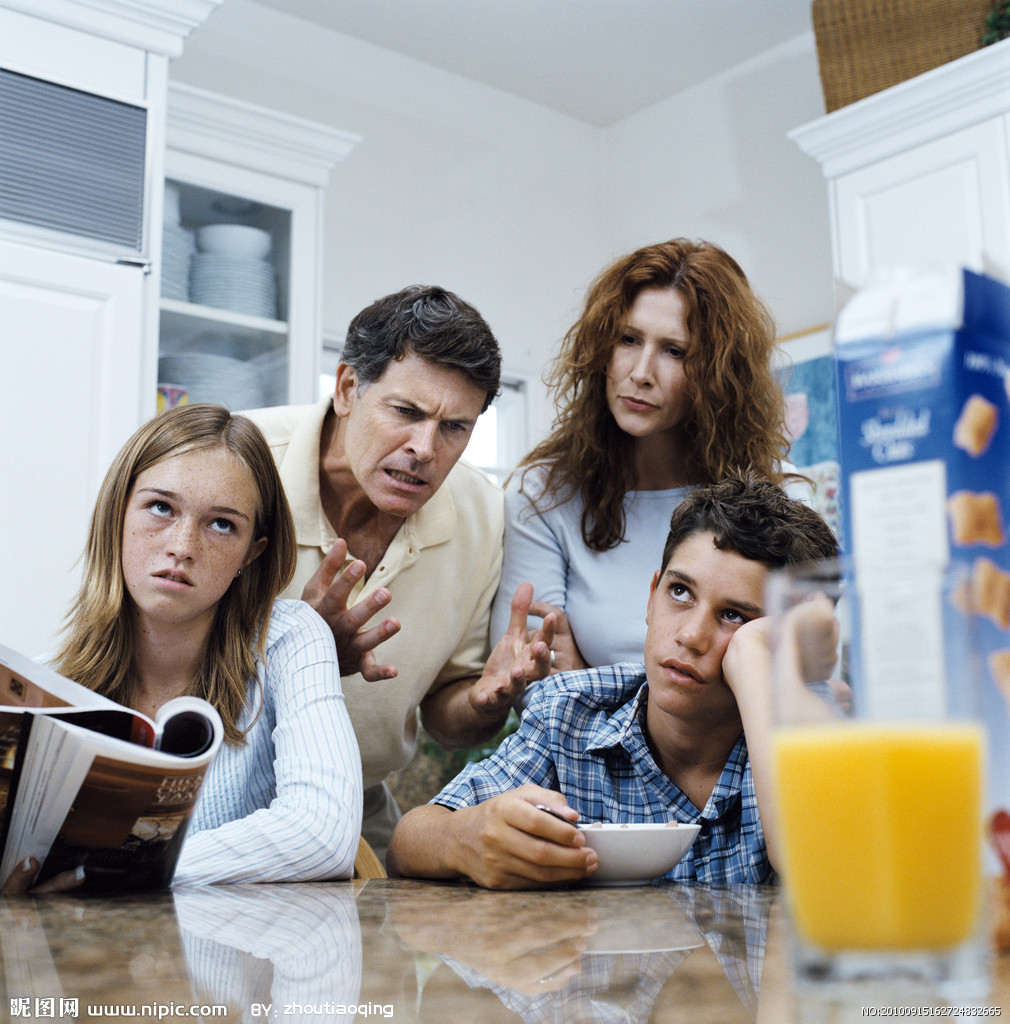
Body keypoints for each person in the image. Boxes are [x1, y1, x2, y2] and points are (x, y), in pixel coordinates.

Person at [386, 475, 839, 889]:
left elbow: (820, 870)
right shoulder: (571, 712)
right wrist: (465, 837)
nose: (690, 636)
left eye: (735, 616)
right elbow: (410, 840)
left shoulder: (812, 733)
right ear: (651, 596)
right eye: (680, 592)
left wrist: (754, 656)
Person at [244, 285, 554, 861]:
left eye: (455, 427)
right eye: (405, 412)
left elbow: (445, 715)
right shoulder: (237, 461)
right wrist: (301, 653)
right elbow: (147, 662)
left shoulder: (481, 513)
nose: (424, 448)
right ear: (346, 389)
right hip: (212, 791)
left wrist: (486, 702)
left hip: (361, 810)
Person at [6, 403, 363, 892]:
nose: (182, 545)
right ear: (118, 514)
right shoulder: (44, 688)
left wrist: (118, 878)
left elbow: (324, 836)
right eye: (160, 507)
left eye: (221, 525)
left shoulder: (290, 639)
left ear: (251, 553)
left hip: (240, 961)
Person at [490, 239, 812, 674]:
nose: (640, 373)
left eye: (674, 351)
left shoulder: (782, 499)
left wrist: (588, 678)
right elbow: (531, 685)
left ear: (719, 373)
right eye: (628, 339)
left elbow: (794, 678)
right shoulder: (544, 493)